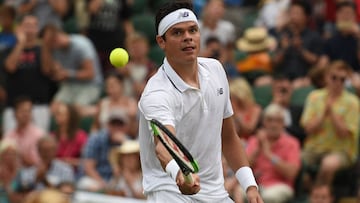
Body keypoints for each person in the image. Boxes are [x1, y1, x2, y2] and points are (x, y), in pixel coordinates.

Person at [138, 1, 263, 202]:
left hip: (216, 193)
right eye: (177, 33)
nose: (187, 37)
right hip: (169, 190)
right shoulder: (157, 93)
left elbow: (229, 137)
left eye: (192, 30)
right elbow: (163, 146)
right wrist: (179, 174)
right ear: (161, 42)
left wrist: (250, 185)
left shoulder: (216, 70)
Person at [301, 60, 359, 186]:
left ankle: (321, 196)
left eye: (342, 79)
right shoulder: (314, 97)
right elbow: (307, 129)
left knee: (328, 165)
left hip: (341, 150)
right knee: (296, 161)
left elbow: (344, 134)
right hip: (314, 147)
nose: (338, 82)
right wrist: (323, 115)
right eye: (334, 78)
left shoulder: (353, 102)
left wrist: (331, 113)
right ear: (326, 77)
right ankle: (312, 192)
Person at [2, 14, 53, 133]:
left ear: (38, 29)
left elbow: (47, 70)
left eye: (33, 26)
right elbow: (10, 67)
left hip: (39, 105)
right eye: (27, 26)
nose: (30, 30)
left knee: (40, 145)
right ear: (19, 28)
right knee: (11, 146)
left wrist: (44, 44)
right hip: (14, 107)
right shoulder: (8, 50)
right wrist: (21, 43)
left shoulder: (43, 50)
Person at [244, 103, 301, 203]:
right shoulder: (255, 140)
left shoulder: (292, 143)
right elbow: (243, 167)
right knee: (237, 191)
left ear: (284, 124)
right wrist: (257, 150)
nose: (273, 124)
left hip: (279, 185)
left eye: (278, 121)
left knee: (267, 197)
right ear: (264, 122)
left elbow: (291, 174)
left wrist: (269, 154)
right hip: (255, 185)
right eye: (270, 120)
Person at [41, 24, 103, 115]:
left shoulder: (81, 45)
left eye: (53, 40)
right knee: (53, 109)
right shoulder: (53, 49)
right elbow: (46, 70)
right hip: (69, 85)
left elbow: (90, 74)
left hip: (90, 85)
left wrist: (67, 74)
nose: (52, 45)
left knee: (75, 110)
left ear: (59, 35)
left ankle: (100, 110)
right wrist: (45, 47)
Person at [78, 109, 130, 192]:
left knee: (127, 187)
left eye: (120, 124)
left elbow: (131, 169)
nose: (116, 127)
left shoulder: (127, 142)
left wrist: (125, 144)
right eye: (113, 124)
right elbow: (88, 167)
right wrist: (103, 185)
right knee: (87, 184)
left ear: (126, 127)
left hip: (116, 180)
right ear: (107, 125)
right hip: (95, 178)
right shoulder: (96, 138)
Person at [91, 72, 138, 138]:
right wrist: (93, 137)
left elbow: (134, 133)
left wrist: (132, 119)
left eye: (112, 86)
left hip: (125, 140)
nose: (110, 90)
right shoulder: (102, 103)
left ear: (121, 85)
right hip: (103, 140)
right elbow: (95, 126)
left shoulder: (131, 103)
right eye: (107, 86)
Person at [3, 96, 45, 167]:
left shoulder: (39, 134)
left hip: (32, 174)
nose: (26, 114)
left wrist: (17, 154)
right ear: (14, 113)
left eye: (29, 111)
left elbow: (38, 163)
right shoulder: (8, 135)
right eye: (22, 111)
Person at [52, 102, 88, 172]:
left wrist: (71, 162)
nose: (57, 115)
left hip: (73, 173)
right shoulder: (52, 136)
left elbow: (87, 161)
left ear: (70, 117)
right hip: (54, 171)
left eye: (60, 113)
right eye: (57, 113)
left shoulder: (81, 136)